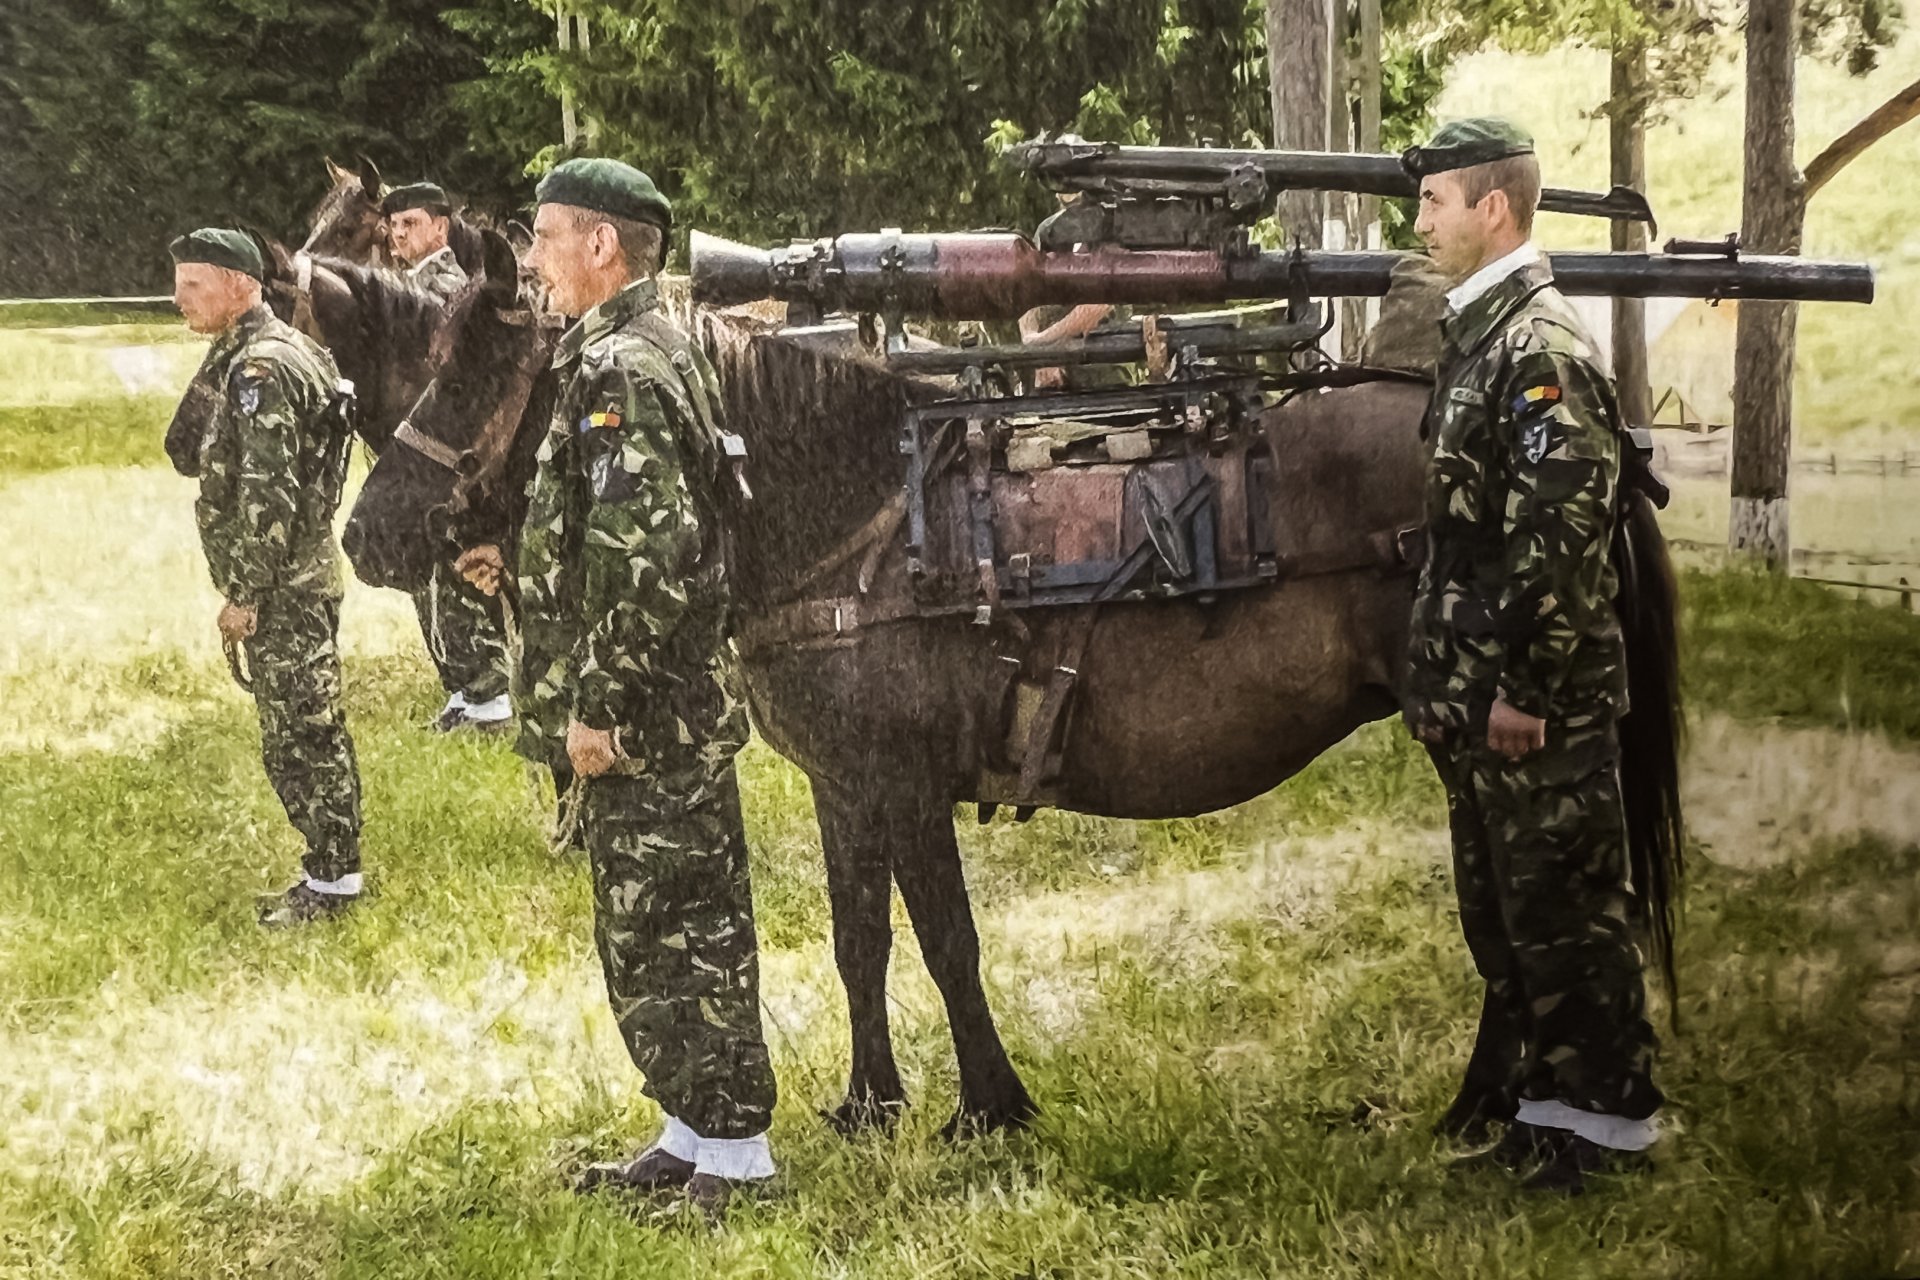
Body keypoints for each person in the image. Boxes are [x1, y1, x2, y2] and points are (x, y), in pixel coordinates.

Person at [458, 157, 777, 1215]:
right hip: (646, 708)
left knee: (688, 928)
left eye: (546, 236)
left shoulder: (627, 368)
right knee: (646, 931)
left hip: (652, 716)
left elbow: (651, 554)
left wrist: (598, 703)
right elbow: (601, 529)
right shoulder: (617, 350)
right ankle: (688, 1131)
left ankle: (734, 1155)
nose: (534, 258)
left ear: (603, 244)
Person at [1402, 118, 1663, 1193]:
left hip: (1534, 705)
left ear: (1492, 209)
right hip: (1480, 700)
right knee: (1514, 916)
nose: (1419, 220)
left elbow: (1557, 548)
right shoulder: (1483, 337)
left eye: (1434, 202)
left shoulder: (1540, 350)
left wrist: (1524, 690)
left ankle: (1606, 1132)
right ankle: (1547, 1114)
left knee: (1570, 916)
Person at [168, 228, 365, 928]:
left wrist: (244, 593)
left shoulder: (262, 369)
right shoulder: (278, 351)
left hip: (286, 587)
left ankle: (334, 881)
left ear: (240, 284)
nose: (179, 298)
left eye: (194, 284)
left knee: (303, 736)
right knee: (303, 731)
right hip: (298, 579)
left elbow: (268, 490)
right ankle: (330, 870)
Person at [381, 180, 515, 734]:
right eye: (391, 227)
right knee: (429, 579)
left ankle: (490, 696)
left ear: (440, 225)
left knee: (455, 572)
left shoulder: (450, 287)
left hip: (451, 455)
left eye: (409, 223)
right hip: (420, 449)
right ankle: (463, 690)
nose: (397, 237)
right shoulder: (401, 285)